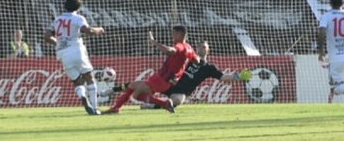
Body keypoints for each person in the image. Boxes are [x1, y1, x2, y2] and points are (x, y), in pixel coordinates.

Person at [105, 41, 253, 108]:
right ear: (196, 49)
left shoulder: (209, 67)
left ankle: (153, 106)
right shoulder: (188, 59)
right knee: (136, 85)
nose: (201, 48)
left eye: (204, 46)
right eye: (200, 46)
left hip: (182, 91)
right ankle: (113, 90)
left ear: (208, 49)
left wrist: (238, 77)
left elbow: (222, 78)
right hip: (169, 85)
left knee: (176, 101)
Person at [105, 26, 199, 114]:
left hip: (162, 79)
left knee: (136, 95)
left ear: (180, 34)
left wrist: (153, 41)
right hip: (166, 79)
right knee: (132, 85)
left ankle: (165, 104)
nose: (172, 36)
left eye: (173, 33)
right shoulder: (189, 48)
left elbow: (169, 51)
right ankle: (116, 108)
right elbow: (197, 61)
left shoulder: (180, 46)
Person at [44, 0, 105, 116]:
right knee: (89, 77)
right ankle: (95, 107)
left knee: (77, 81)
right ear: (78, 7)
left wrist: (59, 42)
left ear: (65, 6)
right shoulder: (78, 18)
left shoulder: (57, 19)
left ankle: (83, 97)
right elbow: (88, 30)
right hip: (77, 50)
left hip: (63, 53)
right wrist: (99, 30)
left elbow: (47, 37)